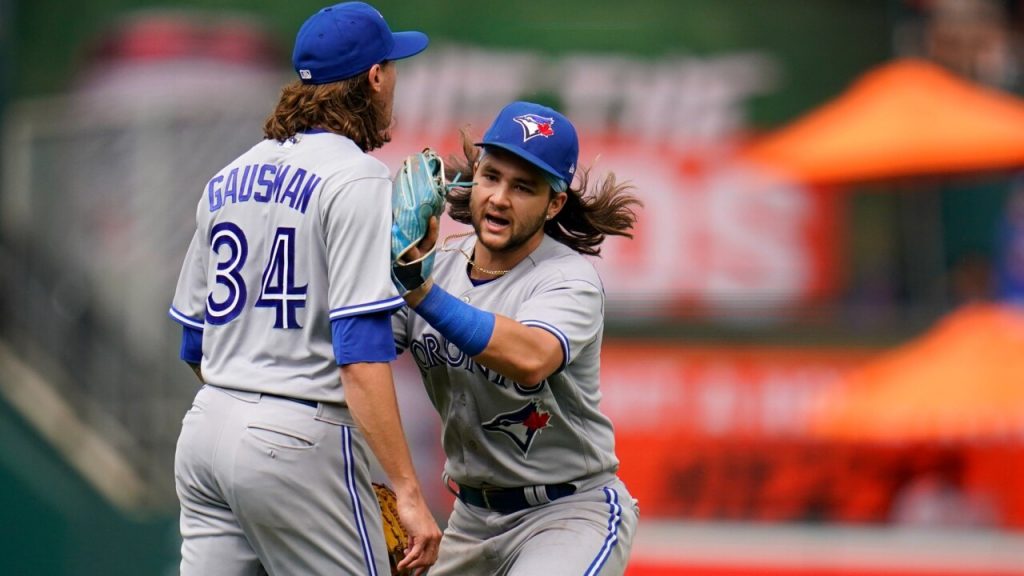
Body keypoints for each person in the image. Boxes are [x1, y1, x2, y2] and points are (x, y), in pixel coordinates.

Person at [167, 3, 441, 574]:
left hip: (206, 430)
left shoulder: (228, 176)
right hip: (295, 436)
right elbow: (360, 354)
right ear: (373, 77)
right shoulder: (357, 176)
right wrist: (407, 491)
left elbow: (193, 342)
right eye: (392, 68)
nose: (394, 82)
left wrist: (247, 396)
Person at [391, 100, 642, 575]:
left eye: (523, 187)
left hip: (567, 511)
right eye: (492, 177)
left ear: (554, 203)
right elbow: (359, 354)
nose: (500, 198)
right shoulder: (437, 266)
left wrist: (420, 292)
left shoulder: (567, 279)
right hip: (470, 518)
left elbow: (532, 356)